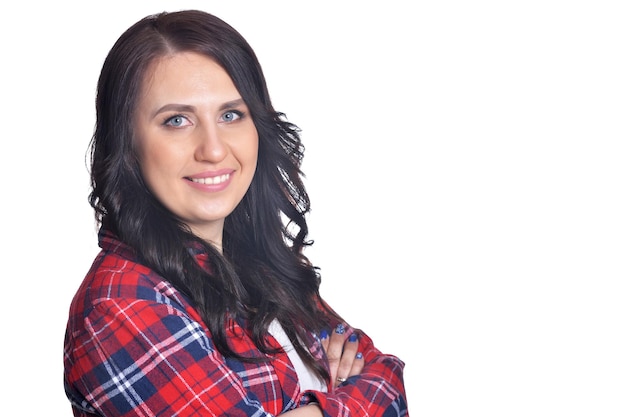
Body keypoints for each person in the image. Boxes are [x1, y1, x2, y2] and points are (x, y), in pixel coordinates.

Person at [63, 9, 408, 417]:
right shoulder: (123, 305)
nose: (213, 149)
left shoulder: (262, 267)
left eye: (231, 115)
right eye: (177, 120)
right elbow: (376, 397)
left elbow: (388, 378)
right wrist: (340, 398)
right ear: (128, 144)